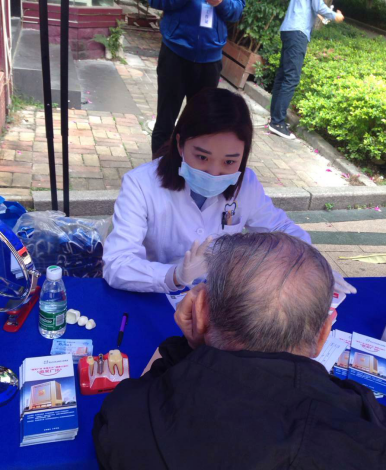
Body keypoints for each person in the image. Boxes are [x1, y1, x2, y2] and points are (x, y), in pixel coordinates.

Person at [47, 232, 386, 470]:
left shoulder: (131, 414)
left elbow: (136, 407)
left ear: (200, 309)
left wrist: (189, 345)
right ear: (323, 335)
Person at [103, 87, 354, 296]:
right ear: (180, 144)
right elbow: (117, 264)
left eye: (230, 161)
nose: (214, 172)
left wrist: (310, 261)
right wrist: (175, 275)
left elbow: (280, 228)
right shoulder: (141, 185)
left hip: (219, 301)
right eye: (202, 157)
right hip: (154, 297)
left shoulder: (246, 184)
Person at [149, 0, 245, 157]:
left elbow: (237, 11)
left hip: (210, 61)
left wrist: (220, 3)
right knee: (165, 122)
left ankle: (190, 170)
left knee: (200, 128)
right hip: (175, 53)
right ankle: (158, 170)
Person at [269, 0, 344, 139]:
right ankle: (277, 123)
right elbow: (318, 6)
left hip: (288, 29)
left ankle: (275, 119)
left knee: (283, 76)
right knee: (291, 78)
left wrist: (320, 15)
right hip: (298, 32)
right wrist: (335, 16)